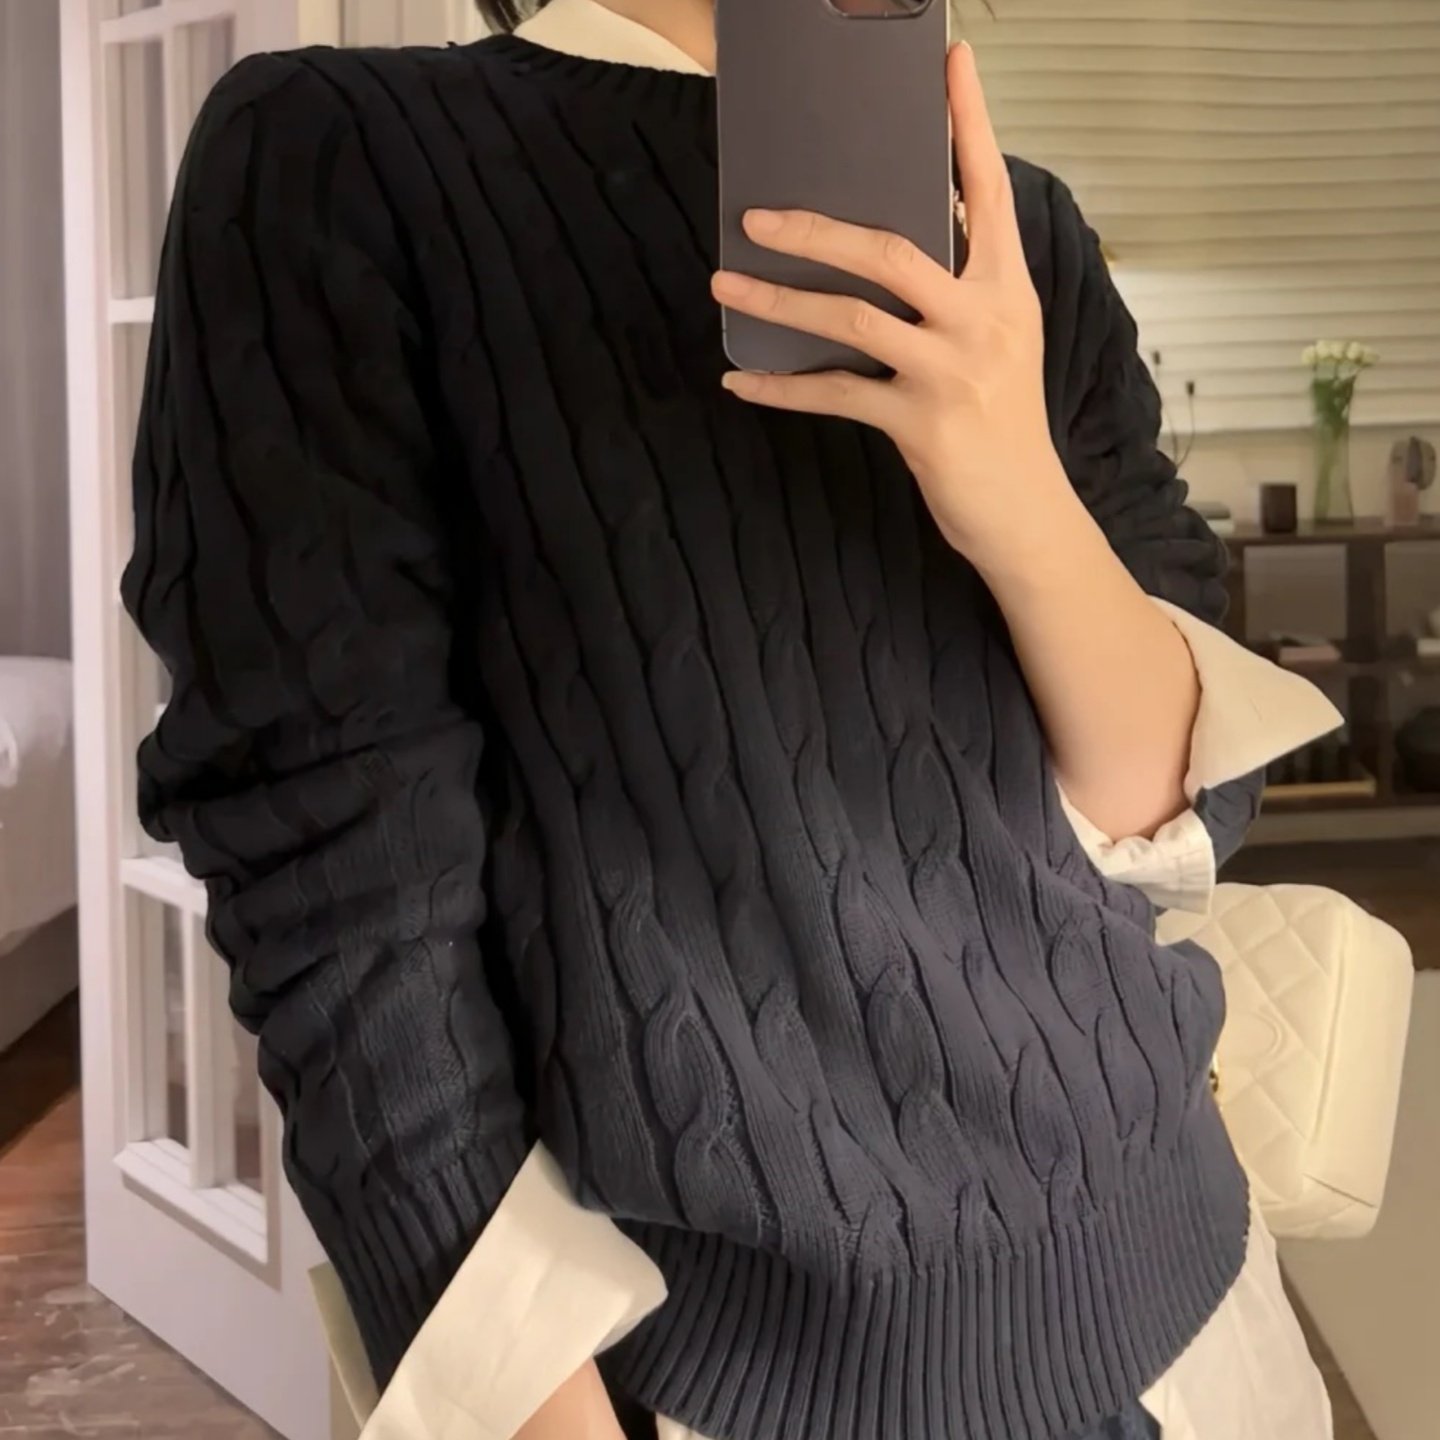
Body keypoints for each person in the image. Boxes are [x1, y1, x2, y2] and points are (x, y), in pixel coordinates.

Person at [121, 2, 1342, 1437]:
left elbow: (1181, 811)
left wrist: (1018, 493)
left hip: (1194, 1312)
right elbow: (339, 885)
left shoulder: (1019, 236)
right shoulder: (340, 155)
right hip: (721, 1381)